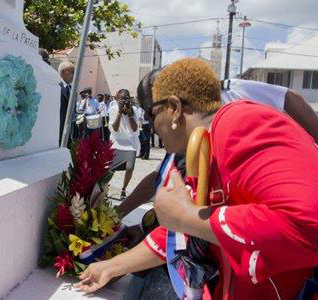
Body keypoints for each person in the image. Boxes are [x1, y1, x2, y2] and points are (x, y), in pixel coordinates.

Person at [75, 58, 318, 299]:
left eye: (151, 114)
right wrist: (112, 266)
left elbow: (307, 224)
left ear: (174, 107)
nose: (151, 125)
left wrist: (186, 216)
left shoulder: (242, 123)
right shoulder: (202, 146)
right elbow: (181, 234)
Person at [108, 89, 140, 201]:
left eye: (126, 98)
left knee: (130, 167)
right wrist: (120, 113)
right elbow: (115, 128)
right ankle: (104, 186)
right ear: (117, 99)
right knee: (110, 168)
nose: (124, 100)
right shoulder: (113, 109)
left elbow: (135, 128)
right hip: (117, 142)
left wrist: (130, 114)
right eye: (121, 98)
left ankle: (123, 189)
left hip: (131, 143)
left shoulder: (135, 110)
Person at [58, 61, 75, 146]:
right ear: (63, 72)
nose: (74, 74)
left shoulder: (71, 88)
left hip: (69, 129)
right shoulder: (57, 87)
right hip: (59, 129)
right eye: (71, 71)